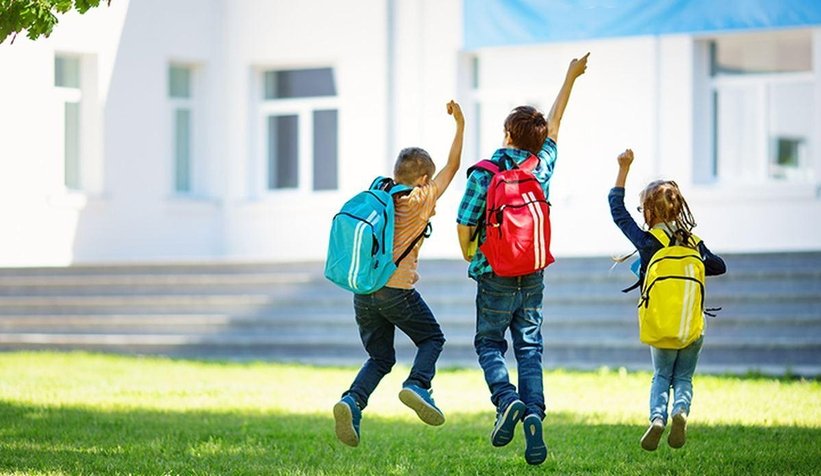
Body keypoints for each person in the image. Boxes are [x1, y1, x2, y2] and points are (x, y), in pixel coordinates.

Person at [455, 53, 589, 465]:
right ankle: (533, 415)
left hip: (493, 271)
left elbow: (464, 223)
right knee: (529, 348)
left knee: (488, 343)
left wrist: (471, 256)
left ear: (506, 134)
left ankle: (506, 399)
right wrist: (570, 76)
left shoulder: (485, 172)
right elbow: (557, 122)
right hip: (532, 273)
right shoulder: (541, 166)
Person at [333, 101, 465, 447]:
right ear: (423, 178)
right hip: (397, 290)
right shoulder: (421, 198)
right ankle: (418, 384)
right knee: (432, 339)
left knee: (379, 357)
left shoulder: (380, 193)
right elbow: (453, 166)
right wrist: (460, 125)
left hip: (364, 290)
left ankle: (352, 401)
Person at [609, 148, 726, 451]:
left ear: (648, 211)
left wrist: (623, 168)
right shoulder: (694, 242)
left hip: (661, 326)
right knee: (683, 377)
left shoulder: (649, 242)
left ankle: (658, 418)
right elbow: (718, 266)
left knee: (662, 375)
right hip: (691, 327)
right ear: (679, 208)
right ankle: (680, 411)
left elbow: (616, 210)